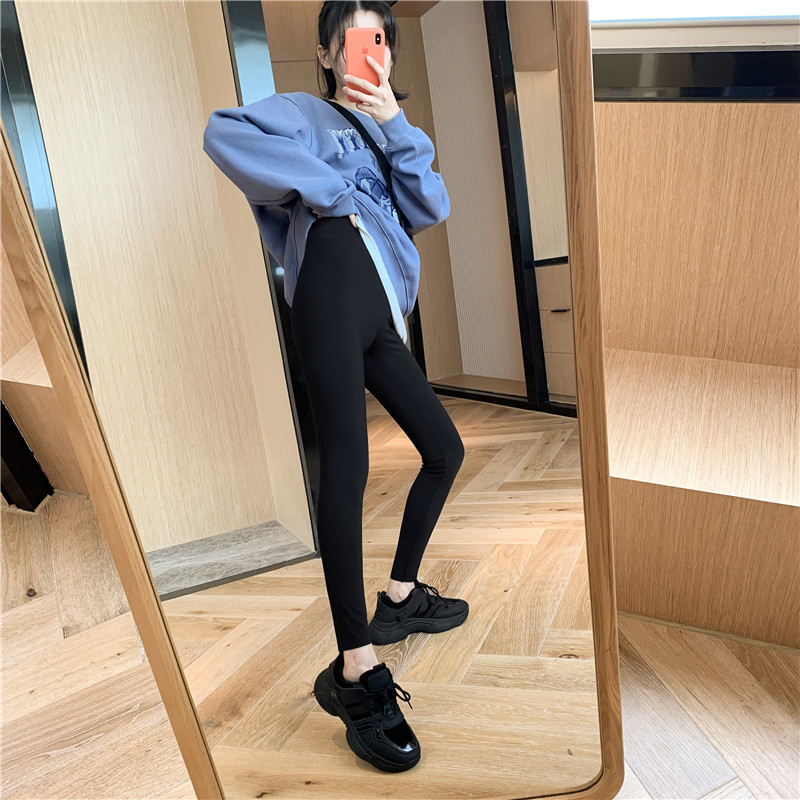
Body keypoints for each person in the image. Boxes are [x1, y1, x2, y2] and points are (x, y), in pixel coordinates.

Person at [203, 0, 469, 772]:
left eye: (377, 39)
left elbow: (430, 205)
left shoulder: (392, 131)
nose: (365, 52)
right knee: (347, 472)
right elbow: (224, 132)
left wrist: (393, 123)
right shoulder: (299, 112)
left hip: (380, 310)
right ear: (326, 55)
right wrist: (328, 189)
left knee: (444, 450)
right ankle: (355, 667)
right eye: (350, 40)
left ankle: (400, 597)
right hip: (327, 285)